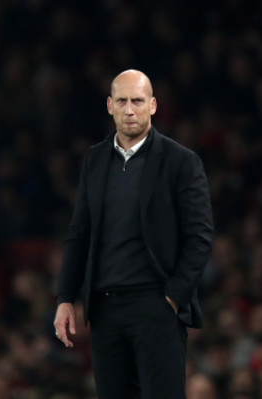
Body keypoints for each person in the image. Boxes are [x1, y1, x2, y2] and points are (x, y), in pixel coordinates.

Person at [53, 69, 214, 399]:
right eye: (122, 101)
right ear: (109, 105)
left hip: (156, 306)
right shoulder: (95, 159)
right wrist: (65, 297)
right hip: (105, 309)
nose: (130, 109)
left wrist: (172, 297)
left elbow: (200, 236)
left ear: (152, 105)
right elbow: (79, 232)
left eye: (138, 101)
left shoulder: (181, 161)